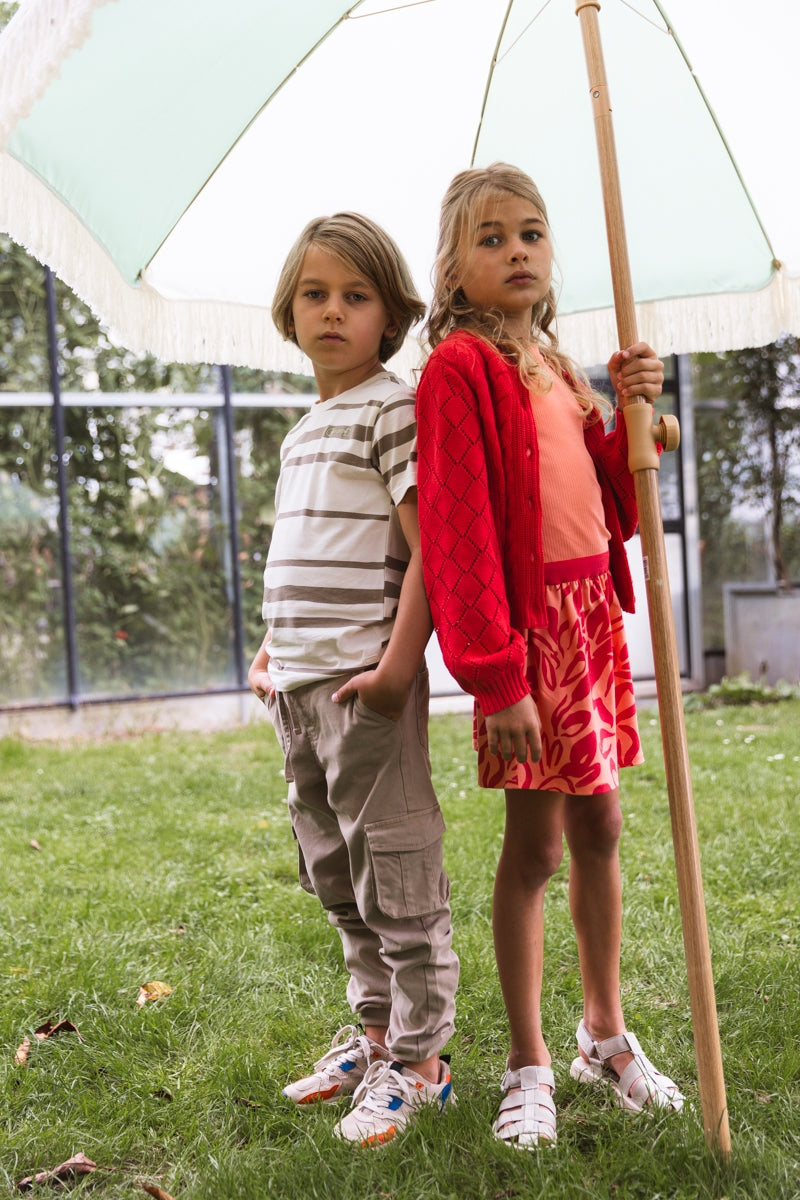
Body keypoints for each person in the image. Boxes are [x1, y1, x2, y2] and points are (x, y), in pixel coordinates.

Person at [415, 163, 684, 1149]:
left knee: (601, 830)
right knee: (532, 850)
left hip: (589, 623)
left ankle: (602, 1033)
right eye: (489, 238)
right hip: (526, 640)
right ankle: (526, 1058)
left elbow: (608, 509)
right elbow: (457, 533)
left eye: (529, 232)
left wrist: (632, 428)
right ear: (451, 268)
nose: (515, 250)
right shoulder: (459, 371)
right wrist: (496, 674)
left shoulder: (562, 367)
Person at [248, 212, 458, 1147]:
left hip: (364, 687)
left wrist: (397, 667)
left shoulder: (392, 407)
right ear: (290, 312)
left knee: (395, 869)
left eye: (356, 295)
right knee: (334, 871)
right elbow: (303, 550)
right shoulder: (303, 429)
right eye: (314, 294)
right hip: (298, 691)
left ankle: (421, 1063)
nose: (333, 311)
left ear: (391, 314)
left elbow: (427, 552)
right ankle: (374, 1036)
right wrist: (269, 648)